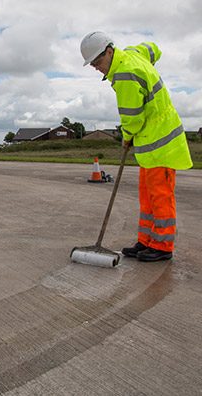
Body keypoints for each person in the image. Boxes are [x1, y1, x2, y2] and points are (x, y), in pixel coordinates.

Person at [80, 32, 193, 262]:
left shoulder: (125, 75)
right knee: (148, 197)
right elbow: (153, 48)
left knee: (160, 196)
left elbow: (132, 118)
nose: (96, 68)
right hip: (150, 147)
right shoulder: (132, 54)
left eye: (98, 62)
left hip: (161, 144)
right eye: (92, 64)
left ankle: (162, 246)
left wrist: (126, 136)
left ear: (109, 52)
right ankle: (146, 241)